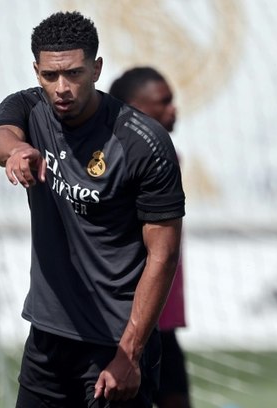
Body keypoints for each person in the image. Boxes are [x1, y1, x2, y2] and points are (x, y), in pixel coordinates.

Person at [0, 11, 185, 408]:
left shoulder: (144, 143)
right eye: (49, 76)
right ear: (36, 71)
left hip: (114, 341)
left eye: (74, 74)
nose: (61, 88)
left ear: (96, 69)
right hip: (47, 337)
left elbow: (162, 255)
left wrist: (129, 353)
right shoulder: (28, 109)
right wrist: (17, 151)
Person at [109, 67, 192, 408]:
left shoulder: (165, 154)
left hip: (156, 317)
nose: (173, 109)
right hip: (124, 320)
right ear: (134, 108)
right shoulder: (118, 158)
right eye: (164, 102)